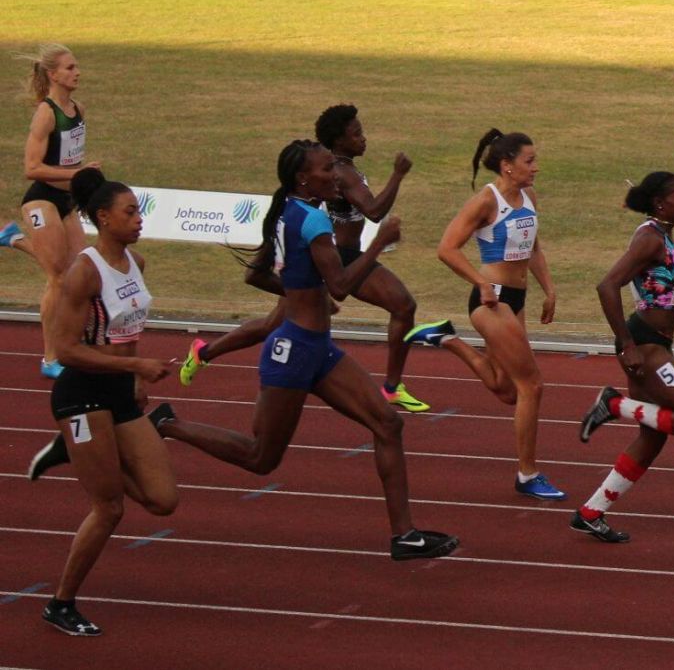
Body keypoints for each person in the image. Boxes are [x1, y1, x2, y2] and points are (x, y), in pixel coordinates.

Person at [158, 139, 458, 560]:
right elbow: (341, 285)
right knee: (261, 458)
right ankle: (167, 424)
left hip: (317, 348)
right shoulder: (315, 221)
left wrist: (304, 292)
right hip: (294, 350)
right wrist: (378, 240)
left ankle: (404, 536)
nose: (334, 175)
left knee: (388, 424)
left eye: (334, 168)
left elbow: (258, 276)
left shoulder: (287, 211)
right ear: (304, 178)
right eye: (325, 170)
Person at [179, 104, 434, 414]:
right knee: (403, 304)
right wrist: (397, 175)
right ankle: (391, 387)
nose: (364, 139)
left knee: (272, 323)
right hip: (339, 254)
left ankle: (204, 351)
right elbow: (375, 212)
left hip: (331, 253)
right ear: (338, 142)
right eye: (357, 134)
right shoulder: (340, 172)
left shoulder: (335, 173)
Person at [32, 167, 178, 635]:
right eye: (130, 212)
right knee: (109, 507)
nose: (139, 219)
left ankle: (75, 453)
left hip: (117, 393)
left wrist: (133, 378)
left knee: (162, 500)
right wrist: (135, 367)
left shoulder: (138, 264)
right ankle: (61, 603)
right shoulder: (84, 271)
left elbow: (127, 329)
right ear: (103, 218)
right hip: (81, 397)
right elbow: (66, 348)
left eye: (139, 210)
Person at [571, 172, 674, 542]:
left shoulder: (665, 238)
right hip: (644, 346)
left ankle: (591, 512)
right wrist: (626, 344)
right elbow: (607, 285)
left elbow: (672, 304)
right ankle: (614, 404)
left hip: (656, 343)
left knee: (652, 437)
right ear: (661, 204)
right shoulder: (648, 239)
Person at [404, 129, 565, 501]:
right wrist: (480, 282)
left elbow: (534, 248)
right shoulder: (485, 202)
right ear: (507, 166)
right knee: (532, 385)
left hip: (518, 298)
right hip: (492, 302)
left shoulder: (529, 197)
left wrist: (549, 288)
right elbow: (447, 248)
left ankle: (446, 338)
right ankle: (528, 474)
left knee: (504, 388)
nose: (536, 167)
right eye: (530, 161)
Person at [17, 44, 101, 378]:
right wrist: (78, 175)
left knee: (82, 273)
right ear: (53, 74)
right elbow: (32, 168)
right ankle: (51, 357)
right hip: (41, 199)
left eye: (76, 66)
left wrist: (83, 187)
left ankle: (13, 240)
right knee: (57, 276)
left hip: (67, 200)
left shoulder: (78, 108)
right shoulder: (46, 112)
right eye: (69, 68)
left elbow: (71, 160)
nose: (76, 72)